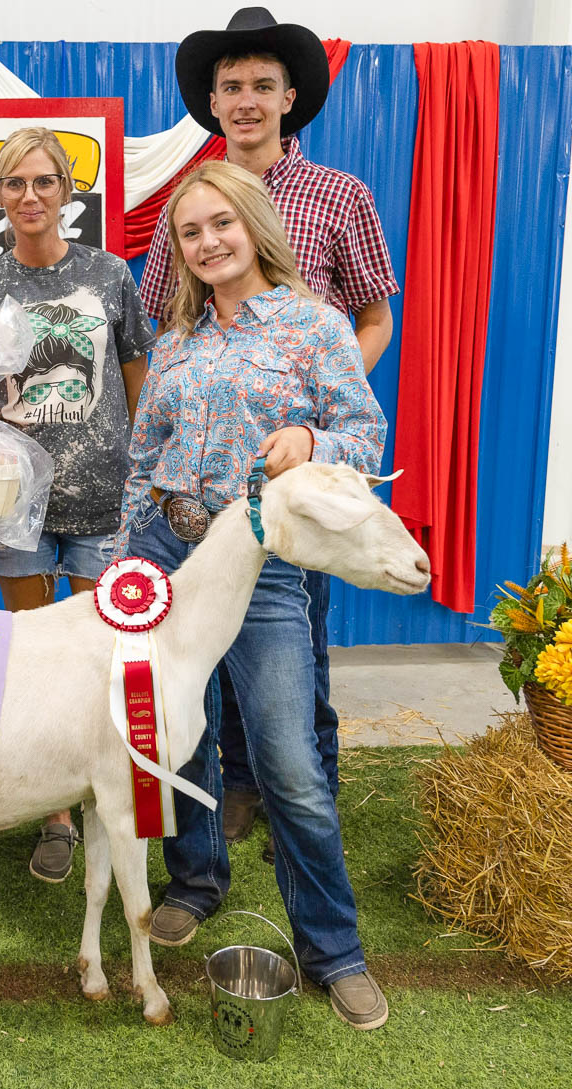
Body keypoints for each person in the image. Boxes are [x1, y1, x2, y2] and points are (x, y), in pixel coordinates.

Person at [118, 160, 389, 1029]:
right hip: (168, 552)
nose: (208, 243)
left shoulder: (316, 326)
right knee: (177, 737)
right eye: (190, 233)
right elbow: (144, 455)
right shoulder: (176, 340)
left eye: (220, 224)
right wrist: (129, 559)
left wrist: (311, 436)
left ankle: (334, 950)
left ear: (255, 224)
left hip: (263, 564)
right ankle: (195, 881)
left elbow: (365, 434)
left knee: (289, 763)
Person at [139, 6, 400, 849]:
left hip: (288, 473)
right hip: (197, 486)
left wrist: (316, 411)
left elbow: (373, 316)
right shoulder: (185, 204)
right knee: (200, 650)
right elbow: (163, 321)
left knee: (296, 643)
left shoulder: (340, 195)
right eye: (231, 86)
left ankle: (303, 791)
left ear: (290, 97)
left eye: (262, 84)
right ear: (213, 102)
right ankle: (230, 794)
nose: (246, 99)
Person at [0, 127, 155, 883]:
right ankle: (52, 813)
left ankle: (101, 794)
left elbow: (137, 373)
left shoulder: (109, 274)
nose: (31, 196)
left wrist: (145, 468)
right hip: (17, 506)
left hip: (104, 501)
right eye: (16, 183)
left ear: (67, 191)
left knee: (99, 658)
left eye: (44, 181)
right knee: (30, 657)